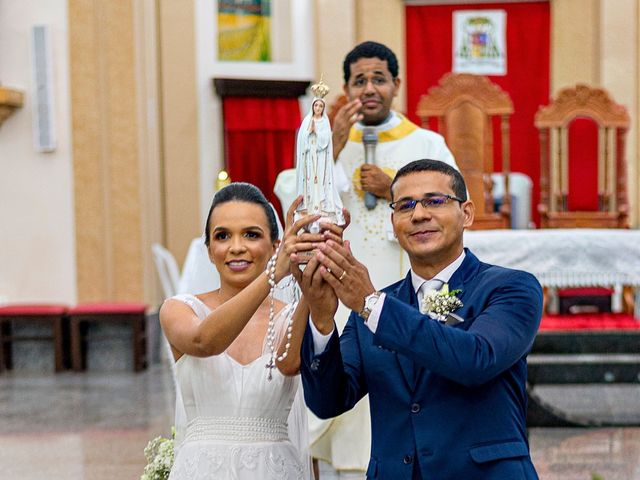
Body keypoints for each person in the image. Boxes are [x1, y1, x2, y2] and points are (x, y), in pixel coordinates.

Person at [297, 159, 543, 479]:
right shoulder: (371, 310)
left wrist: (372, 305)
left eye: (434, 201)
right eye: (405, 206)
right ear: (394, 220)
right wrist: (320, 318)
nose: (419, 214)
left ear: (466, 212)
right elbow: (328, 402)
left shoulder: (511, 288)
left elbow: (475, 359)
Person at [309, 41, 458, 476]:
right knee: (348, 374)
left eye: (378, 79)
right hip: (343, 288)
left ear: (396, 84)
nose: (369, 88)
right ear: (346, 87)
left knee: (404, 379)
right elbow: (294, 200)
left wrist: (393, 186)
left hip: (403, 287)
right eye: (360, 81)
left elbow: (454, 204)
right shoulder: (328, 140)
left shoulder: (427, 141)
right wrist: (330, 150)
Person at [160, 182, 328, 480]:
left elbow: (291, 364)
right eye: (222, 236)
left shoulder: (289, 316)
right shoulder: (179, 309)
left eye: (251, 234)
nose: (236, 247)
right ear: (210, 251)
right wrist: (272, 273)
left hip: (275, 468)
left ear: (276, 245)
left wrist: (308, 290)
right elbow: (203, 341)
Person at [296, 95, 344, 232]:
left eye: (321, 106)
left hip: (321, 158)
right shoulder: (307, 121)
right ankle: (309, 208)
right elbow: (301, 140)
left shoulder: (324, 122)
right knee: (310, 183)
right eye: (316, 105)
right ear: (313, 107)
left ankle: (323, 208)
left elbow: (325, 141)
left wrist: (316, 132)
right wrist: (308, 134)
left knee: (321, 183)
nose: (318, 108)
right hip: (309, 158)